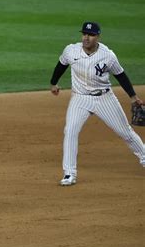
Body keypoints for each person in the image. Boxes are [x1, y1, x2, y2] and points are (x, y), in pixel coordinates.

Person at [50, 21, 144, 186]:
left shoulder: (108, 55)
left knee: (125, 132)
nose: (87, 38)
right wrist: (53, 83)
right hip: (80, 98)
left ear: (97, 37)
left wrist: (133, 96)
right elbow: (61, 65)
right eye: (84, 34)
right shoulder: (71, 50)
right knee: (70, 131)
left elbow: (120, 75)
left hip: (104, 98)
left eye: (91, 35)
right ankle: (69, 174)